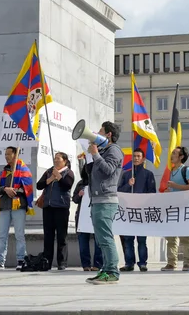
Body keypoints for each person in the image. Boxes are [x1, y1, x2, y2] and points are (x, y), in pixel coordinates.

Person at [84, 121, 124, 285]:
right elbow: (88, 173)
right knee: (101, 238)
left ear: (108, 134)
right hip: (97, 198)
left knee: (105, 237)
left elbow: (108, 170)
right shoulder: (104, 150)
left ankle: (112, 271)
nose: (96, 134)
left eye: (99, 132)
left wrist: (96, 154)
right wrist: (90, 156)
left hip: (106, 200)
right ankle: (106, 269)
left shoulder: (114, 150)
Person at [0, 147, 34, 271]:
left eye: (9, 154)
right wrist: (5, 189)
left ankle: (21, 259)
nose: (6, 156)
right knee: (2, 235)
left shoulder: (24, 170)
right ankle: (0, 260)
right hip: (5, 206)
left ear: (15, 155)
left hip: (18, 205)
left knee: (19, 234)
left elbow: (28, 189)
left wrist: (13, 190)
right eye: (5, 154)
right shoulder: (4, 172)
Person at [117, 148, 156, 272]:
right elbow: (119, 191)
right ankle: (129, 263)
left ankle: (142, 263)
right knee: (128, 239)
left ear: (143, 159)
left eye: (139, 156)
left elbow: (152, 192)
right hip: (128, 211)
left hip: (142, 212)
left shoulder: (148, 174)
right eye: (134, 156)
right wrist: (129, 184)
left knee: (141, 239)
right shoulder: (126, 174)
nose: (136, 158)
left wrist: (143, 202)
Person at [37, 152, 75, 270]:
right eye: (55, 159)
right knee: (48, 235)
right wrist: (51, 179)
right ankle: (47, 261)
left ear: (65, 161)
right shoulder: (49, 171)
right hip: (48, 207)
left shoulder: (68, 172)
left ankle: (62, 262)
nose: (56, 161)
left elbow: (67, 186)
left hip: (61, 207)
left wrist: (59, 177)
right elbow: (39, 185)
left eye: (58, 159)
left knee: (61, 236)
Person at [161, 146, 189, 272]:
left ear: (181, 157)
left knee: (185, 236)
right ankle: (171, 262)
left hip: (184, 207)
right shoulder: (169, 171)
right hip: (171, 207)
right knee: (170, 236)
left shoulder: (187, 170)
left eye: (175, 153)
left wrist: (175, 186)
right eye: (172, 153)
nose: (172, 155)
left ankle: (187, 262)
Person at [73, 153, 103, 272]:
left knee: (98, 241)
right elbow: (74, 199)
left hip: (96, 215)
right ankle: (85, 264)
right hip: (82, 217)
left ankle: (97, 264)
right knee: (83, 241)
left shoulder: (99, 182)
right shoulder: (81, 184)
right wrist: (79, 195)